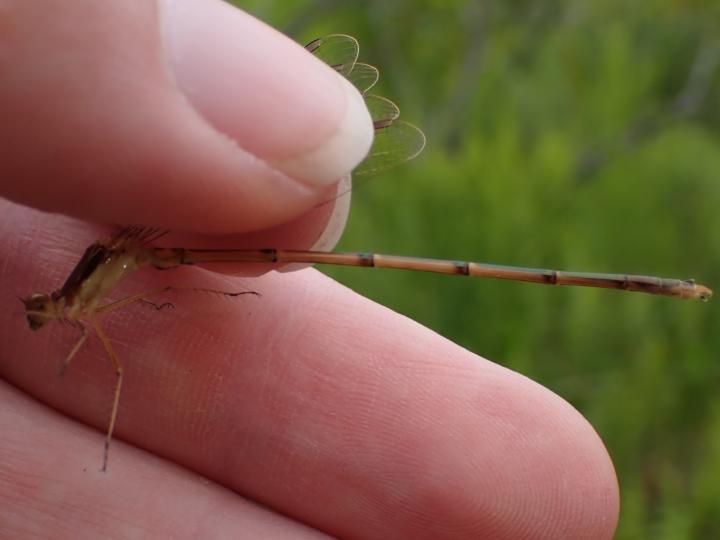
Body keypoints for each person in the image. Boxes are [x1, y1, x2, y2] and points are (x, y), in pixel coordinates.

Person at [0, 1, 618, 538]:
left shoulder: (86, 289)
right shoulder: (84, 296)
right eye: (41, 310)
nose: (43, 312)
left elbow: (111, 354)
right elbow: (123, 308)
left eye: (39, 309)